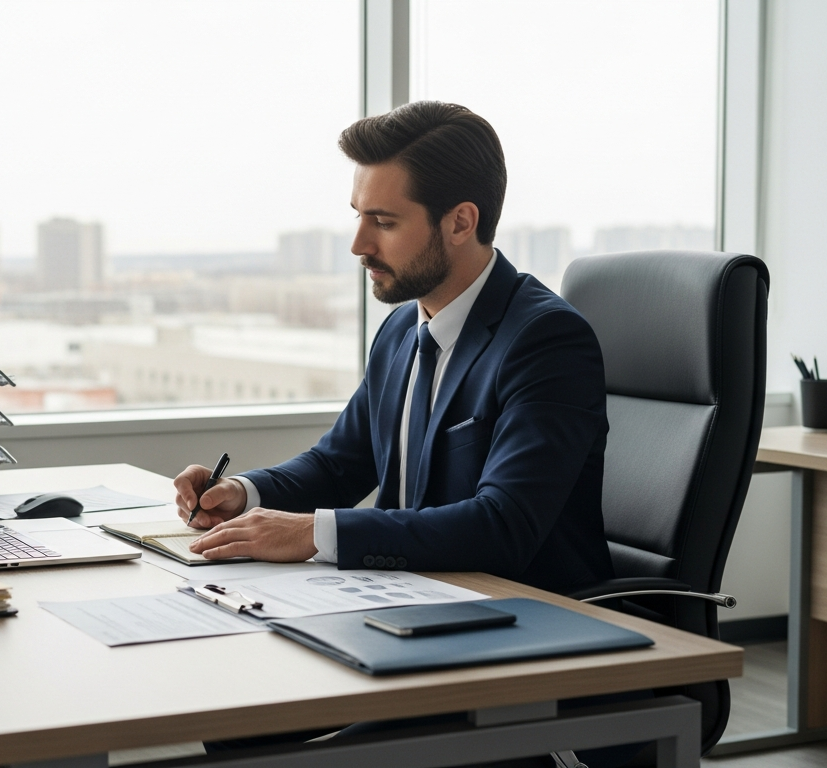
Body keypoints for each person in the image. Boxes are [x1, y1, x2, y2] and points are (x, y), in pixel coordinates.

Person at [173, 100, 614, 595]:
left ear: (460, 223)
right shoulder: (403, 328)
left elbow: (503, 524)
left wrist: (310, 533)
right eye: (358, 217)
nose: (359, 244)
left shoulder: (545, 341)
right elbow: (338, 464)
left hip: (522, 612)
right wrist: (242, 493)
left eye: (383, 222)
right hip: (407, 594)